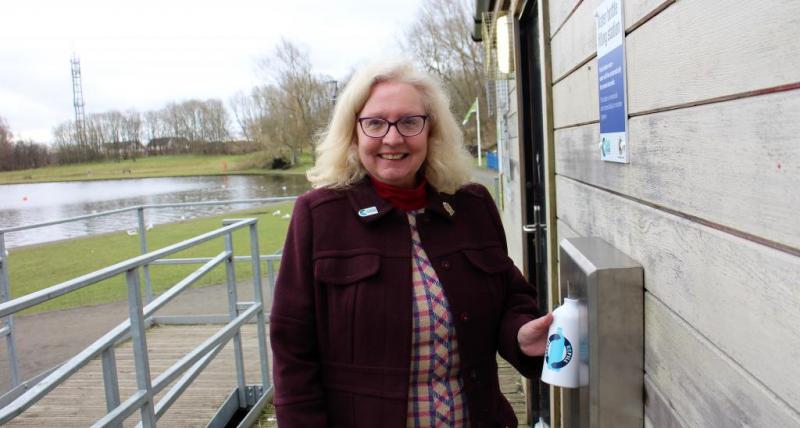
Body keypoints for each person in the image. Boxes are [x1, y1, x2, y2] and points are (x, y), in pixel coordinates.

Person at [269, 59, 553, 427]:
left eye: (409, 121)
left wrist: (519, 333)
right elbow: (292, 348)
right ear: (353, 132)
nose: (392, 138)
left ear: (430, 130)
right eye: (375, 123)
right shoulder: (319, 215)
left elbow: (510, 297)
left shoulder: (472, 205)